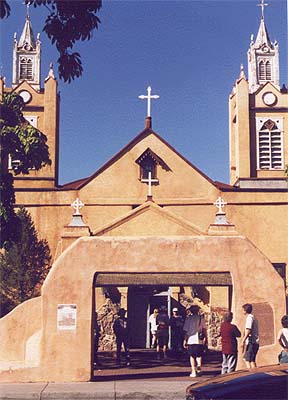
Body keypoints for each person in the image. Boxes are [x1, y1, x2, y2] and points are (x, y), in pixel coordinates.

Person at [183, 304, 207, 377]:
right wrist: (206, 338)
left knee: (192, 356)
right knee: (199, 355)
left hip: (190, 339)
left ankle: (193, 371)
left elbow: (186, 330)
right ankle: (199, 366)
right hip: (199, 339)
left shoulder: (188, 319)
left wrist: (185, 340)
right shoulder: (201, 318)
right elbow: (204, 329)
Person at [241, 303, 259, 368]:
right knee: (252, 360)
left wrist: (243, 340)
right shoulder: (253, 317)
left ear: (245, 310)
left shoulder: (249, 318)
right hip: (255, 342)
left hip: (251, 342)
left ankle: (250, 373)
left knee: (247, 359)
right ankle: (256, 374)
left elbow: (248, 329)